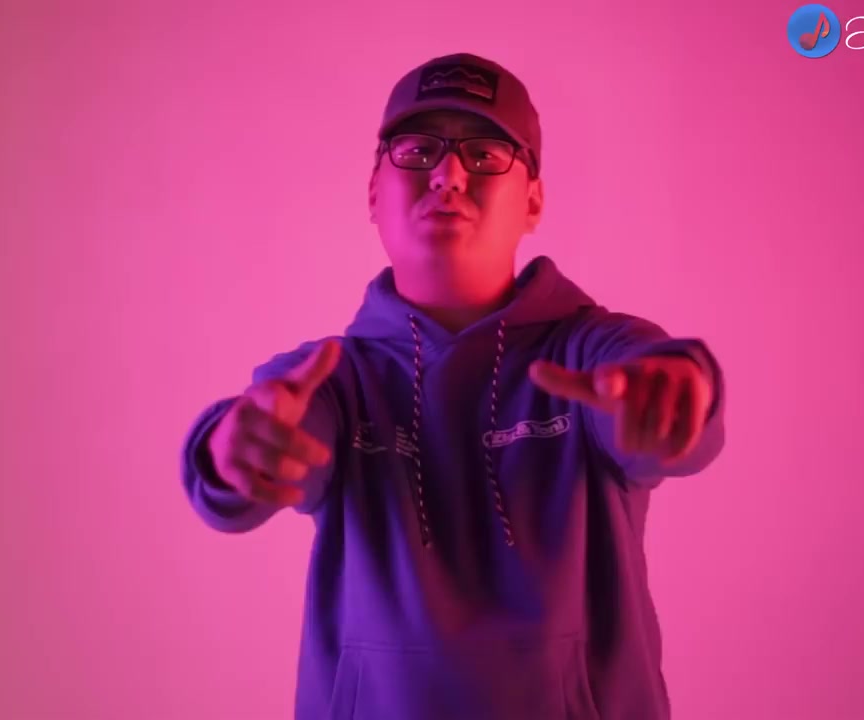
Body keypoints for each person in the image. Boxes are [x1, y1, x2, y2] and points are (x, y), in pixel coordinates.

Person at [181, 52, 727, 720]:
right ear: (374, 193)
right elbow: (259, 448)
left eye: (486, 154)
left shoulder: (594, 356)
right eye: (418, 150)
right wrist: (235, 451)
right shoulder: (329, 380)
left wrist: (674, 397)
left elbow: (667, 395)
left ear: (533, 200)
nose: (448, 174)